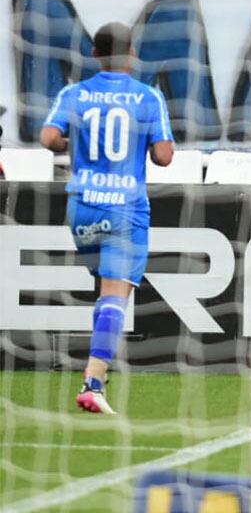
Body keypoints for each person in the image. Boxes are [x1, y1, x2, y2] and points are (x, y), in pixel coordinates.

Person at [39, 22, 174, 415]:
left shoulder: (74, 93)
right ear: (132, 54)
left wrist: (76, 143)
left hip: (81, 208)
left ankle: (98, 374)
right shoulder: (148, 97)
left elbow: (48, 139)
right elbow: (164, 156)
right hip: (125, 208)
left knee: (105, 293)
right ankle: (93, 382)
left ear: (95, 55)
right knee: (116, 296)